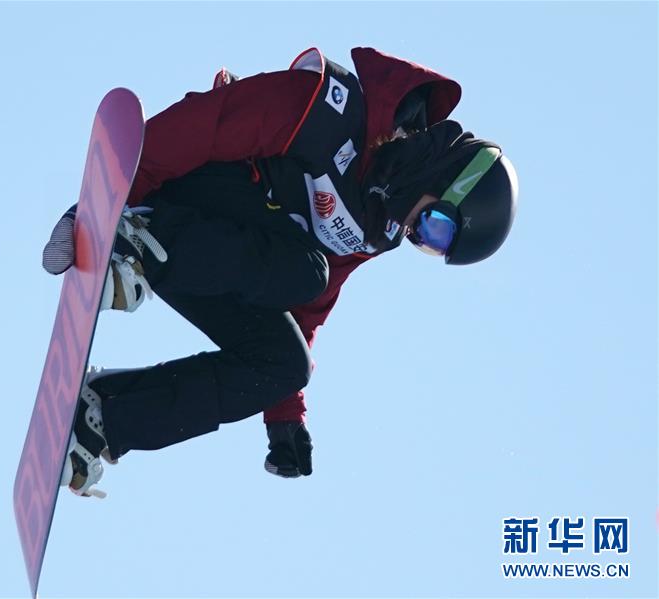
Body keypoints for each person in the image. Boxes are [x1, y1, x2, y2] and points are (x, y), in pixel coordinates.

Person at [42, 47, 518, 497]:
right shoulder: (331, 112)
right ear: (448, 175)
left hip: (209, 253)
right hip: (177, 196)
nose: (418, 236)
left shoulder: (382, 223)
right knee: (305, 270)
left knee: (287, 364)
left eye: (431, 247)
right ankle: (137, 242)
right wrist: (106, 206)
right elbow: (208, 124)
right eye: (435, 227)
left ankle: (105, 415)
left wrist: (283, 411)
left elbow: (310, 305)